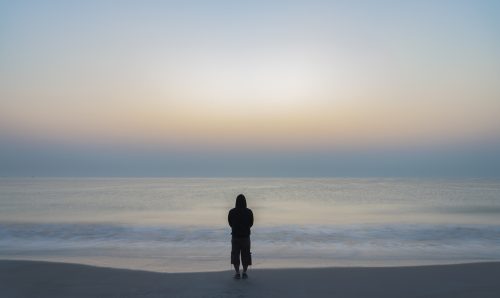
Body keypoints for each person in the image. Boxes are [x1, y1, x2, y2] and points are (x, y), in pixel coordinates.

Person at [228, 194, 254, 279]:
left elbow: (230, 223)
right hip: (245, 237)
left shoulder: (232, 212)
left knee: (235, 254)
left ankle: (237, 273)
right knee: (246, 255)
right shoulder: (249, 211)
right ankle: (245, 272)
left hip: (235, 236)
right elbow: (251, 223)